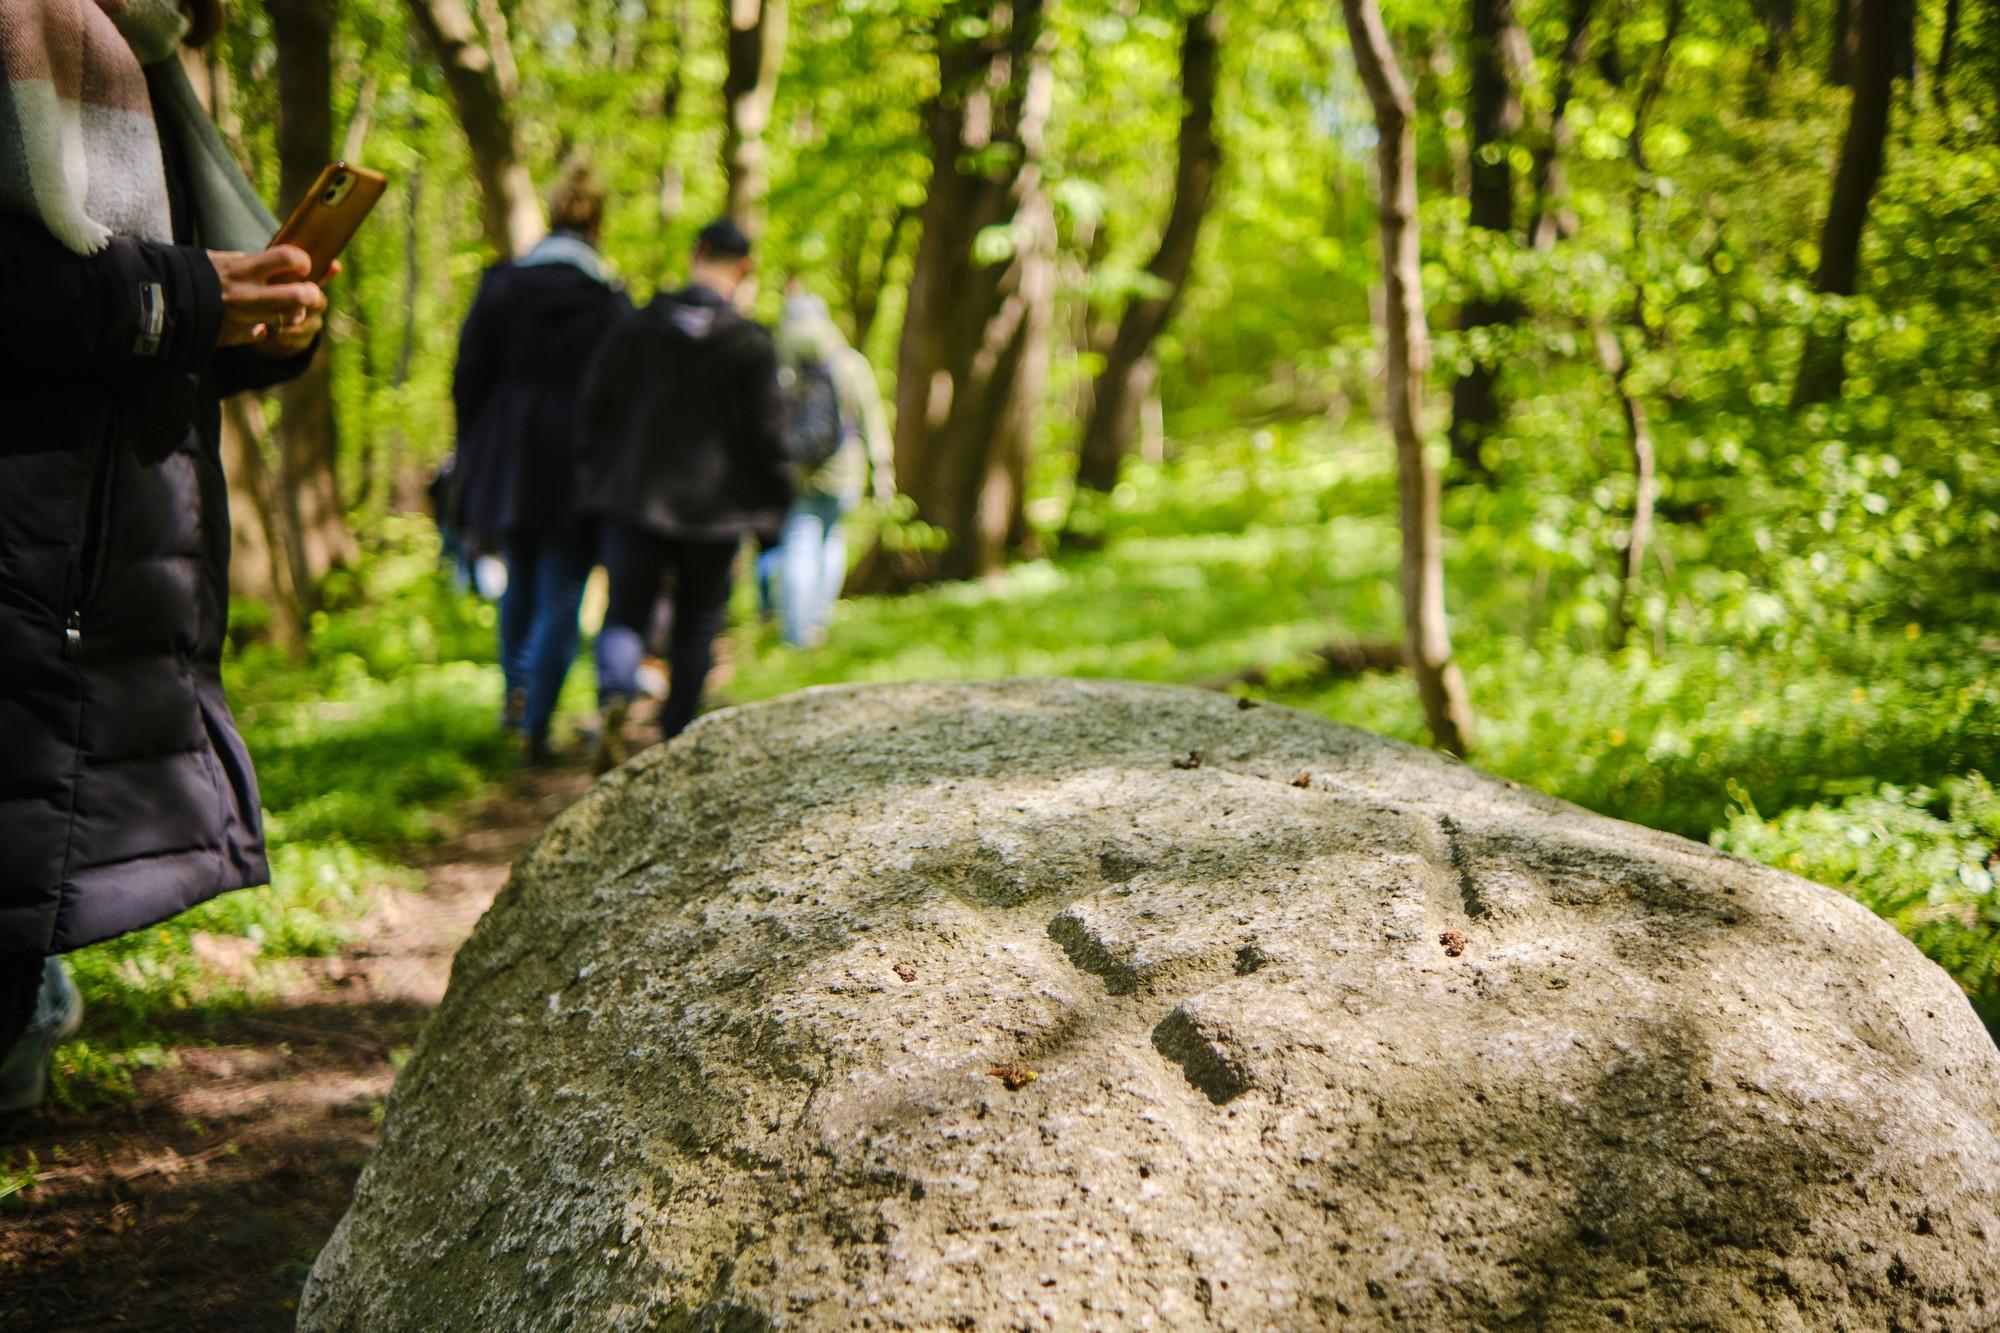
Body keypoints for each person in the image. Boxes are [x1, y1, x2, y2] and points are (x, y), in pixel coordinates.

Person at [0, 0, 328, 1112]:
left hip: (90, 568)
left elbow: (151, 296)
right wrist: (178, 298)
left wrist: (248, 316)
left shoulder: (141, 52)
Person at [574, 219, 789, 771]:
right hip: (715, 513)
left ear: (697, 253)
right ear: (743, 268)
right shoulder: (751, 343)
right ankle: (673, 743)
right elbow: (769, 437)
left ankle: (615, 699)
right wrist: (772, 518)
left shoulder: (637, 327)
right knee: (697, 625)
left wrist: (593, 478)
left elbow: (593, 406)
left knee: (626, 615)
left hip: (633, 498)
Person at [451, 162, 631, 761]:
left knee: (520, 581)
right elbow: (622, 396)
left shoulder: (503, 286)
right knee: (563, 593)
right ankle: (536, 726)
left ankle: (517, 695)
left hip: (510, 457)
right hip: (577, 463)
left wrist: (474, 448)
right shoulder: (610, 301)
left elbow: (468, 374)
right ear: (598, 225)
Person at [763, 286, 893, 647]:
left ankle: (796, 633)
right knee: (830, 541)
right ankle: (818, 619)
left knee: (800, 545)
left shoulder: (785, 365)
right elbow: (871, 417)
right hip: (847, 470)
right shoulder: (850, 363)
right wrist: (882, 467)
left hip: (801, 470)